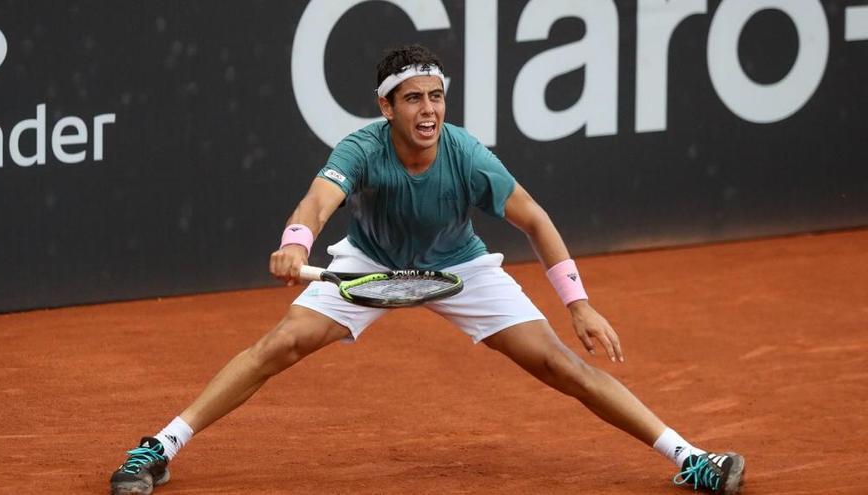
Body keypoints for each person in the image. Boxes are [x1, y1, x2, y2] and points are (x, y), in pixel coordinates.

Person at [110, 44, 745, 495]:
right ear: (386, 107)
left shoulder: (467, 154)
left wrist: (577, 302)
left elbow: (535, 220)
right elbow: (319, 199)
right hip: (370, 264)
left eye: (436, 97)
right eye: (413, 98)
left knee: (562, 366)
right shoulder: (361, 148)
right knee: (279, 345)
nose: (428, 110)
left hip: (458, 266)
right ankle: (160, 448)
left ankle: (688, 459)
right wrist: (297, 242)